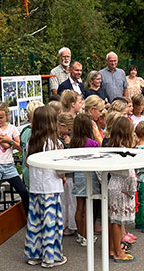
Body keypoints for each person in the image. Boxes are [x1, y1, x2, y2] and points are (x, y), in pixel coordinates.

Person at [24, 105, 67, 268]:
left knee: (35, 221)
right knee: (52, 222)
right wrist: (62, 177)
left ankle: (33, 255)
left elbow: (28, 163)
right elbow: (59, 168)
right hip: (50, 187)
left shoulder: (31, 141)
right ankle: (51, 257)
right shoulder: (53, 143)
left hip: (36, 187)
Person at [0, 102, 28, 217]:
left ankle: (28, 215)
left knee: (23, 191)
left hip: (8, 165)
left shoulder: (12, 128)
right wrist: (11, 141)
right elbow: (5, 144)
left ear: (7, 116)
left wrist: (9, 141)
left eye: (1, 118)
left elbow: (20, 147)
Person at [107, 116, 137, 263]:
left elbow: (101, 172)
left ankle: (113, 248)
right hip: (123, 187)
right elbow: (131, 174)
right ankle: (118, 252)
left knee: (113, 220)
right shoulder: (126, 151)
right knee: (118, 221)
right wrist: (132, 191)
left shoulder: (109, 148)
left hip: (112, 183)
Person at [70, 114, 101, 247]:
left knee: (80, 207)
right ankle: (87, 235)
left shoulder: (72, 143)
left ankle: (80, 234)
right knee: (89, 208)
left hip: (78, 175)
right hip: (90, 176)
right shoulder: (92, 143)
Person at [57, 112, 77, 236]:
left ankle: (69, 224)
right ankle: (66, 225)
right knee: (66, 202)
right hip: (65, 175)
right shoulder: (59, 140)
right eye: (68, 129)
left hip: (67, 175)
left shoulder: (62, 138)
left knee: (68, 201)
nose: (69, 132)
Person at [21, 100, 44, 189]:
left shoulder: (25, 131)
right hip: (39, 176)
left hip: (27, 174)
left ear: (27, 116)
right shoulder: (40, 133)